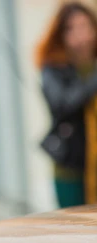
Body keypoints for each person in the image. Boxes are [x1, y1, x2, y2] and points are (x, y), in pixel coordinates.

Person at [37, 2, 97, 207]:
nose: (81, 34)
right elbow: (62, 105)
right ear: (61, 35)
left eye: (84, 26)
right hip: (71, 167)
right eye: (72, 28)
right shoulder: (53, 68)